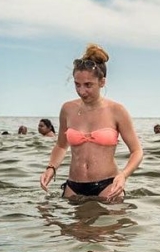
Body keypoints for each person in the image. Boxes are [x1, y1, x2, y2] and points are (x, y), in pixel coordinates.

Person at [39, 44, 144, 202]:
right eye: (77, 84)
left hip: (108, 185)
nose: (82, 91)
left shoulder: (117, 111)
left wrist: (123, 175)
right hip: (74, 185)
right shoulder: (67, 109)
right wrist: (51, 168)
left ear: (102, 82)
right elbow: (61, 146)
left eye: (88, 85)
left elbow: (137, 151)